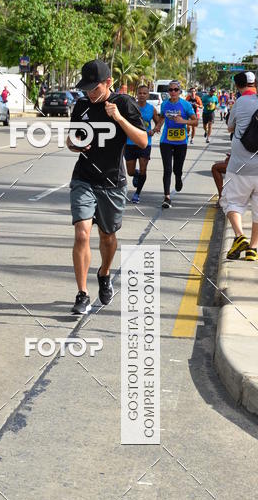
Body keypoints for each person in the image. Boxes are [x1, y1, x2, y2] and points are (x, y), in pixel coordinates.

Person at [66, 59, 147, 315]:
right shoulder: (81, 106)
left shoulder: (124, 103)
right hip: (84, 178)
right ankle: (82, 294)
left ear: (108, 82)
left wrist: (119, 118)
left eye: (95, 88)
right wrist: (75, 144)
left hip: (112, 182)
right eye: (86, 89)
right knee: (82, 233)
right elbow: (72, 139)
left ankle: (104, 272)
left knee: (107, 236)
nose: (90, 93)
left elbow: (142, 141)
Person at [221, 71, 258, 261]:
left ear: (237, 86)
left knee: (230, 202)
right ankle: (253, 250)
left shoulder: (240, 103)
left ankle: (239, 236)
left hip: (240, 165)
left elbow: (230, 127)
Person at [155, 80, 197, 209]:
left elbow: (195, 122)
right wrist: (158, 126)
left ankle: (178, 177)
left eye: (175, 90)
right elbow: (162, 117)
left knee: (177, 169)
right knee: (167, 169)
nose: (173, 92)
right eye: (170, 90)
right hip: (166, 141)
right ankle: (167, 197)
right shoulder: (165, 104)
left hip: (181, 141)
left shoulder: (185, 105)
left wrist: (183, 121)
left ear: (179, 91)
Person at [124, 83, 159, 203]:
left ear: (148, 95)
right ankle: (136, 174)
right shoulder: (130, 107)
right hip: (130, 142)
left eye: (145, 93)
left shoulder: (151, 109)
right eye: (140, 93)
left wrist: (154, 130)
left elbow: (158, 122)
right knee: (130, 172)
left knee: (144, 169)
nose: (142, 95)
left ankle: (137, 193)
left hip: (145, 143)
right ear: (136, 94)